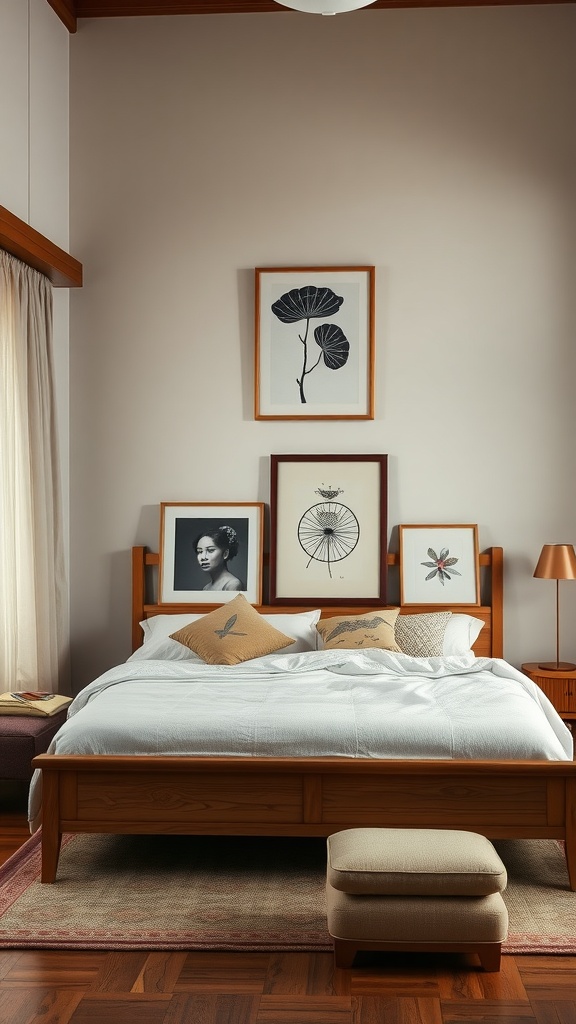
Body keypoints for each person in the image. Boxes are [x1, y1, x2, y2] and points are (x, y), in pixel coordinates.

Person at [194, 525, 244, 592]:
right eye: (200, 551)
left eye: (210, 550)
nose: (203, 557)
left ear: (225, 554)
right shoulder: (206, 588)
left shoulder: (232, 584)